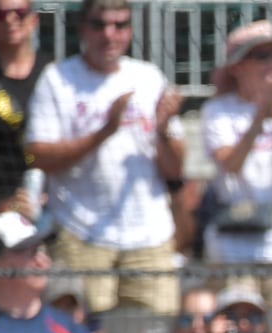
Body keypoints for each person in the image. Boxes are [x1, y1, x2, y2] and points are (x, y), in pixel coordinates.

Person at [24, 0, 183, 315]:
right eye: (100, 25)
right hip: (81, 232)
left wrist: (163, 131)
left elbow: (176, 169)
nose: (110, 34)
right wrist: (104, 131)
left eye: (120, 25)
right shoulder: (58, 79)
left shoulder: (148, 77)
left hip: (149, 235)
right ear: (83, 28)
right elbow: (38, 155)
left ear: (131, 30)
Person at [199, 21, 272, 312]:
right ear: (238, 66)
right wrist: (260, 116)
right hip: (234, 249)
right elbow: (231, 165)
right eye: (261, 56)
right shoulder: (217, 111)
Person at [0, 0, 52, 229]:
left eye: (18, 13)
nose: (10, 20)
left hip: (43, 200)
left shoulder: (52, 73)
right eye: (1, 15)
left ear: (33, 19)